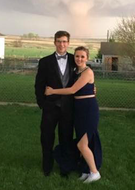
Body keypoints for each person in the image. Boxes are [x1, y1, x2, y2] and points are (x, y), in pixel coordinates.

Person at [45, 46, 102, 183]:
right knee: (83, 143)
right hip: (79, 110)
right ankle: (85, 170)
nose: (79, 59)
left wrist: (53, 91)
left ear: (87, 58)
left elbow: (72, 90)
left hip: (88, 109)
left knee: (82, 145)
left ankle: (95, 172)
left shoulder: (87, 72)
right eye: (77, 56)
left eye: (82, 56)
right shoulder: (76, 72)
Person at [34, 30, 76, 177]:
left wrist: (92, 88)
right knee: (46, 138)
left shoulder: (74, 60)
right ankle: (47, 167)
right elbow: (39, 85)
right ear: (54, 42)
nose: (61, 44)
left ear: (68, 43)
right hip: (50, 108)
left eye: (64, 41)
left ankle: (65, 168)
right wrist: (42, 104)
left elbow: (82, 79)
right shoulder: (45, 62)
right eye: (59, 41)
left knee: (66, 138)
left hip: (68, 108)